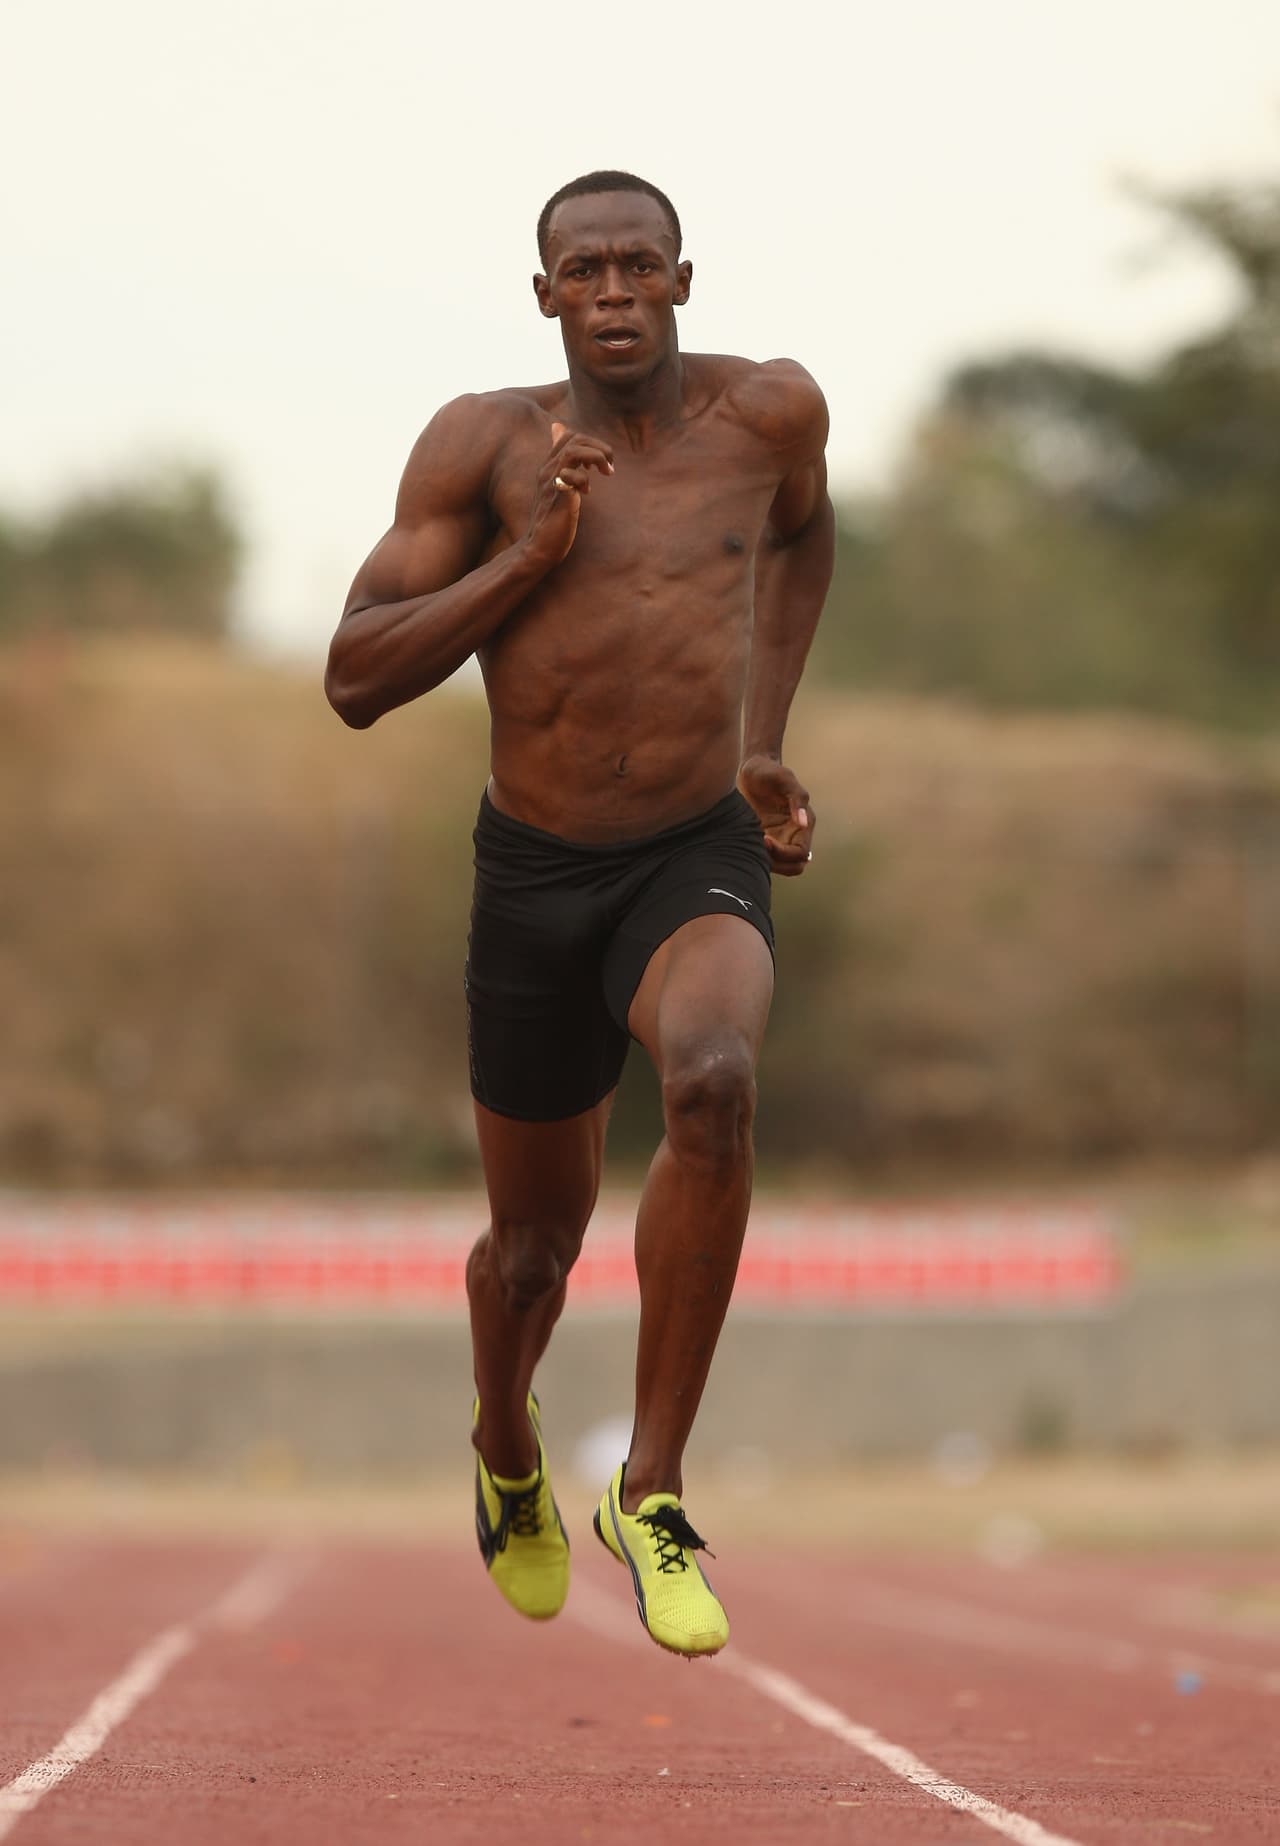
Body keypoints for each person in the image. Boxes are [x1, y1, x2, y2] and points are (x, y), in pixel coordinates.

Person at [326, 170, 833, 1658]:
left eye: (638, 265)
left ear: (684, 279)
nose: (613, 291)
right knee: (531, 1252)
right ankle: (504, 1439)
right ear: (543, 296)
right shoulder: (482, 446)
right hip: (536, 873)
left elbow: (799, 544)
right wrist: (524, 558)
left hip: (693, 851)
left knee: (716, 1082)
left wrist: (764, 737)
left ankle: (655, 1487)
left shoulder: (773, 419)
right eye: (583, 271)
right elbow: (356, 676)